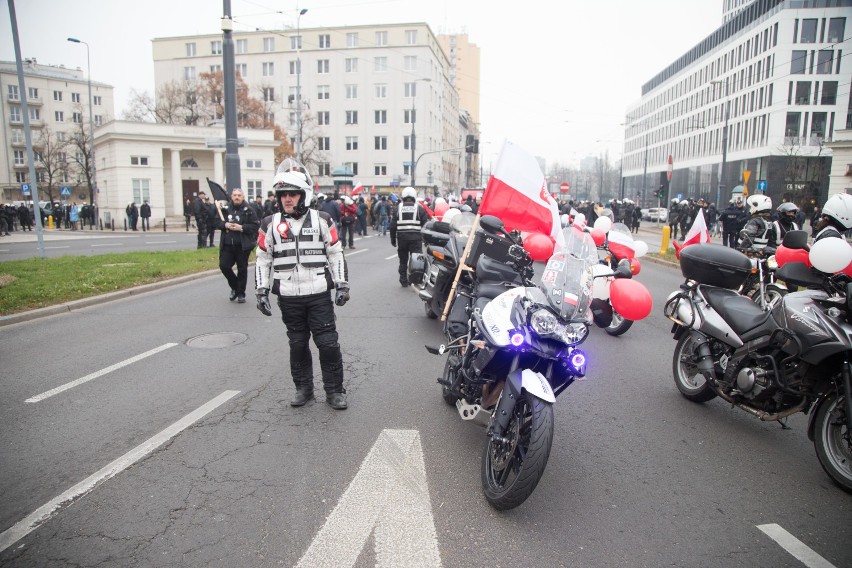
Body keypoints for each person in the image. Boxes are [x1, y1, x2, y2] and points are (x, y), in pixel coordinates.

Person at [254, 159, 350, 410]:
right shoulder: (269, 224)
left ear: (303, 195)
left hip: (318, 293)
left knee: (328, 343)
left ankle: (335, 391)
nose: (287, 199)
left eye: (292, 194)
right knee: (297, 344)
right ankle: (303, 388)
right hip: (288, 296)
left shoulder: (323, 220)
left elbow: (336, 254)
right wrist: (261, 291)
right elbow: (263, 259)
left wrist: (341, 284)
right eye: (283, 194)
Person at [211, 188, 258, 303]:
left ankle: (241, 293)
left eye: (239, 195)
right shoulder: (225, 210)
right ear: (231, 197)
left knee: (242, 269)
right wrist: (225, 224)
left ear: (243, 197)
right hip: (227, 244)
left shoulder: (249, 210)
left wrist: (241, 227)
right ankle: (235, 287)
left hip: (242, 245)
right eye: (235, 195)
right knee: (224, 266)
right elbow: (216, 222)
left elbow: (255, 226)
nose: (237, 197)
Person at [390, 186, 429, 287]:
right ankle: (415, 280)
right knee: (417, 261)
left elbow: (393, 226)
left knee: (403, 261)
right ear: (414, 196)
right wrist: (426, 240)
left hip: (402, 239)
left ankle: (403, 280)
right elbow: (425, 226)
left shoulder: (397, 208)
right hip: (416, 239)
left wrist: (393, 239)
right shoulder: (419, 209)